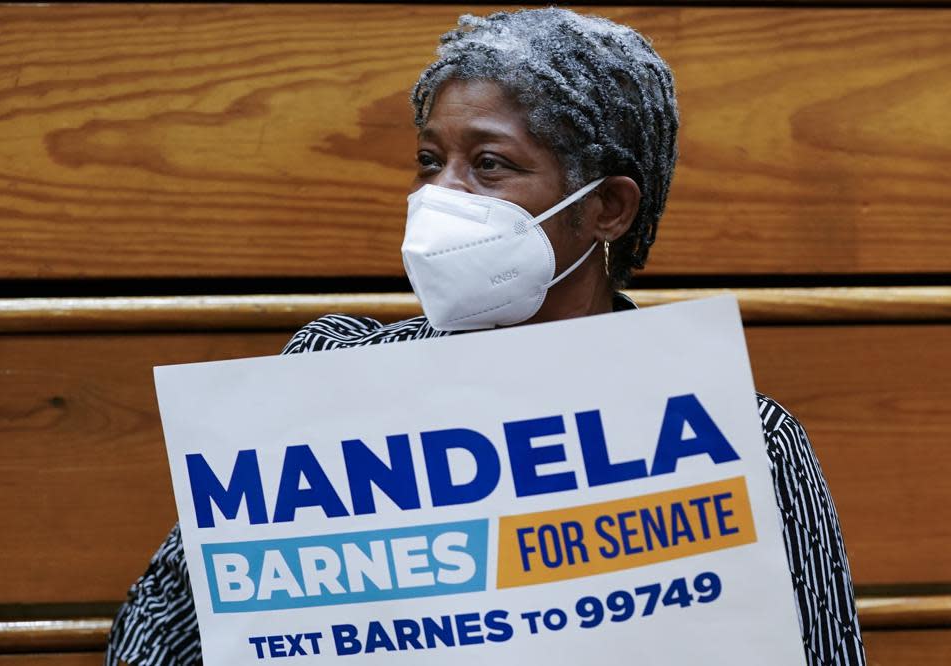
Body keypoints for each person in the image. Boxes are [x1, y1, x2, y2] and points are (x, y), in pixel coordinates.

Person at [107, 8, 866, 665]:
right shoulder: (332, 376)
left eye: (490, 164)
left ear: (607, 209)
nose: (440, 196)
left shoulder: (737, 438)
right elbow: (167, 626)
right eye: (432, 160)